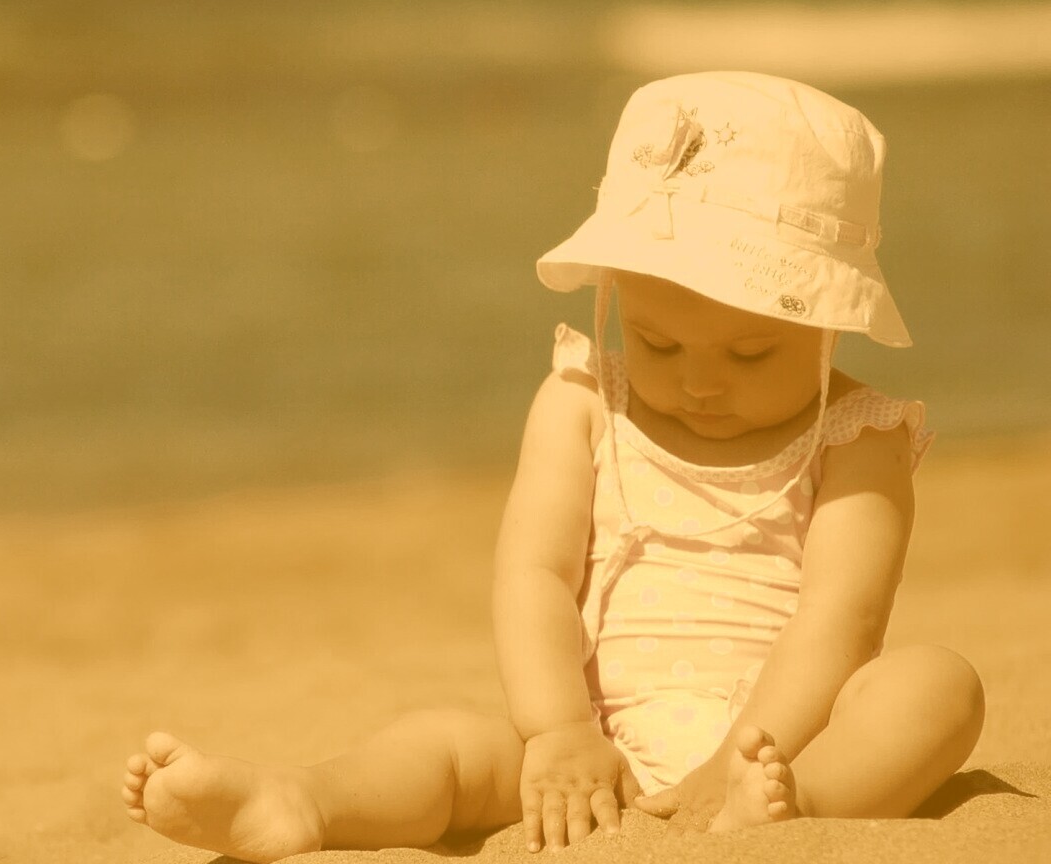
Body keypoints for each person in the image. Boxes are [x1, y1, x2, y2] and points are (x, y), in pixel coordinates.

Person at [120, 71, 985, 862]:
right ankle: (302, 801)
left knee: (938, 687)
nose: (699, 381)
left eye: (752, 354)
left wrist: (745, 755)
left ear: (830, 321)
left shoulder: (858, 435)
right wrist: (560, 729)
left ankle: (802, 808)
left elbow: (840, 621)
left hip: (783, 745)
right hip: (595, 749)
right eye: (657, 342)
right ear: (614, 289)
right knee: (444, 744)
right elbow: (534, 573)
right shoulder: (582, 401)